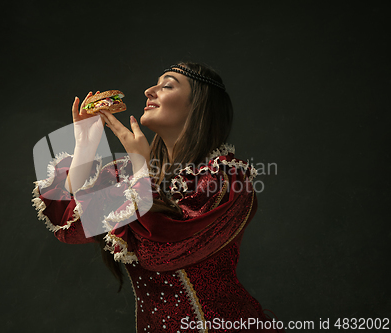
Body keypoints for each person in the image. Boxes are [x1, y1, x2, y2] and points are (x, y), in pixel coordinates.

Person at [32, 62, 284, 332]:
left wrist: (141, 167)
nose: (148, 90)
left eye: (167, 85)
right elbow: (70, 228)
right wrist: (84, 146)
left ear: (197, 105)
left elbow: (159, 252)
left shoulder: (225, 179)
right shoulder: (130, 176)